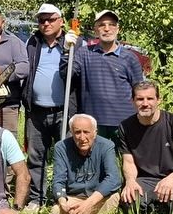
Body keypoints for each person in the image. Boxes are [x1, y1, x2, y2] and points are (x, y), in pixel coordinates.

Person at [20, 3, 75, 214]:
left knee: (66, 156)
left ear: (61, 20)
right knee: (36, 157)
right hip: (36, 111)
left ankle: (62, 197)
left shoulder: (72, 43)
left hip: (64, 111)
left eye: (50, 19)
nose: (46, 23)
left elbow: (76, 72)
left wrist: (71, 50)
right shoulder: (33, 42)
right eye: (42, 20)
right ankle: (36, 199)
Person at [118, 81, 173, 214]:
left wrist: (172, 179)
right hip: (145, 180)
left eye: (150, 98)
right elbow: (129, 162)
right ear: (133, 101)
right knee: (130, 200)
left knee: (172, 200)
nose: (145, 103)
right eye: (140, 99)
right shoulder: (125, 127)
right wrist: (130, 181)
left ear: (158, 100)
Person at [62, 9, 145, 142]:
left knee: (124, 160)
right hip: (93, 123)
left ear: (118, 29)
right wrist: (67, 50)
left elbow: (140, 90)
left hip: (124, 123)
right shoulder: (84, 54)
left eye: (111, 25)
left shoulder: (130, 58)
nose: (107, 29)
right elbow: (66, 74)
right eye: (102, 25)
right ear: (95, 30)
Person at [51, 114, 121, 214]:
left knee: (114, 197)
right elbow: (58, 180)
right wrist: (62, 202)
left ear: (94, 133)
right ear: (71, 132)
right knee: (56, 211)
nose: (82, 138)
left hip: (98, 197)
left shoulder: (106, 146)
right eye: (77, 132)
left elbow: (113, 179)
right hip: (75, 197)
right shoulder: (61, 147)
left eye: (86, 132)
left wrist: (88, 204)